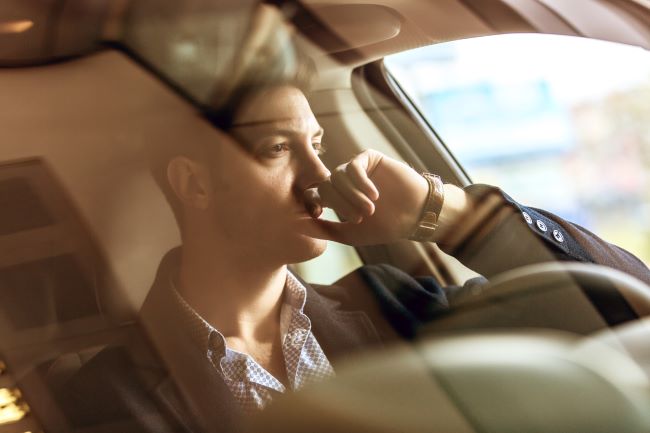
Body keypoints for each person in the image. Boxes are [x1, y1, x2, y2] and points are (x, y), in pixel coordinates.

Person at [53, 82, 650, 433]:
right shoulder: (109, 397)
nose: (318, 175)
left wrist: (444, 213)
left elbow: (630, 310)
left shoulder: (395, 303)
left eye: (318, 144)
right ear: (196, 185)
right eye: (279, 149)